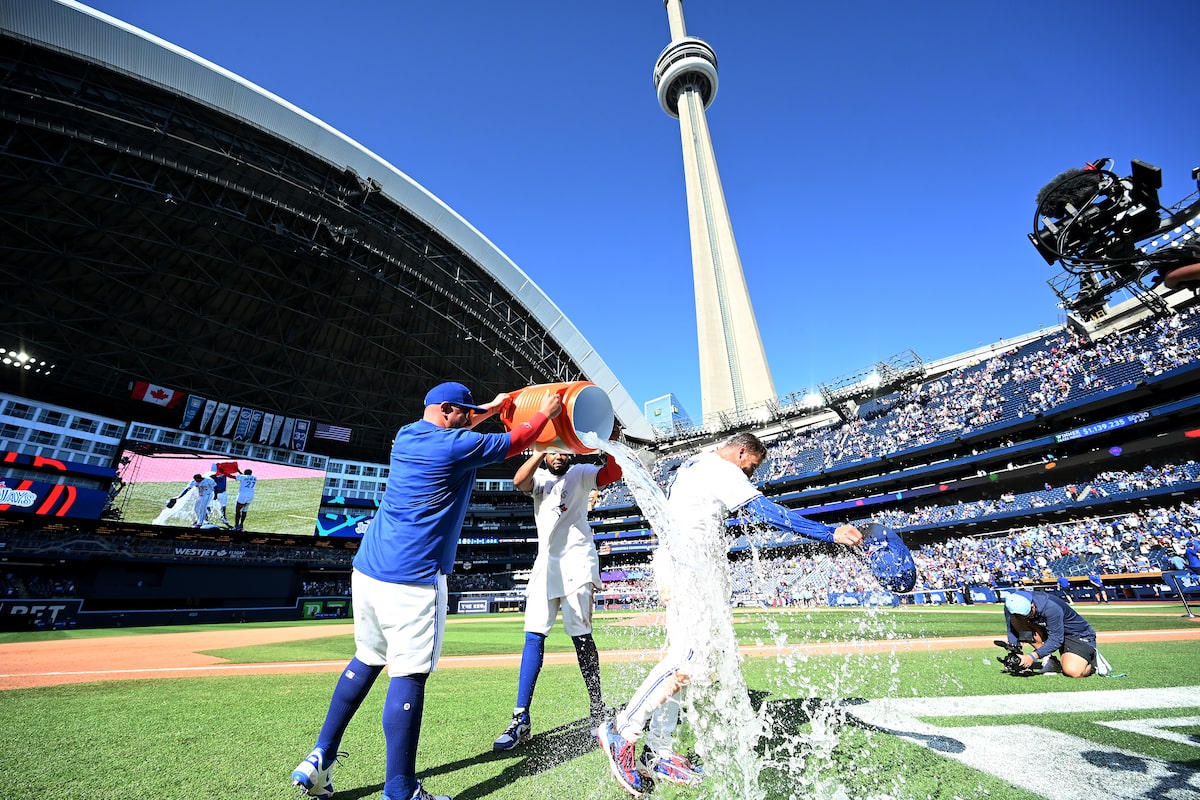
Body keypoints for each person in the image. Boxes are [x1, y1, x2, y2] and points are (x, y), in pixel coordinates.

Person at [291, 381, 563, 800]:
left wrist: (489, 409)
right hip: (414, 576)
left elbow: (458, 426)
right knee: (409, 675)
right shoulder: (455, 446)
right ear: (449, 409)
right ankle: (400, 790)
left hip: (369, 568)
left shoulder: (406, 434)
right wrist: (545, 412)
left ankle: (319, 756)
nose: (470, 419)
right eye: (465, 413)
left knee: (367, 658)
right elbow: (517, 441)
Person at [596, 432, 866, 796]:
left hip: (684, 565)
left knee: (688, 664)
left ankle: (658, 752)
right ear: (741, 453)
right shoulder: (720, 468)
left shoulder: (694, 465)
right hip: (689, 569)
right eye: (750, 468)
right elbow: (764, 511)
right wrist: (829, 533)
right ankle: (622, 730)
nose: (749, 476)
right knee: (688, 660)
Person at [492, 445, 623, 751]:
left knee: (581, 636)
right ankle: (520, 718)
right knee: (533, 635)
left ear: (570, 454)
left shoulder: (580, 473)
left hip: (578, 562)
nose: (558, 456)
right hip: (545, 565)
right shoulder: (538, 477)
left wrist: (610, 444)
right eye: (552, 452)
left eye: (562, 451)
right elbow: (518, 481)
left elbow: (612, 474)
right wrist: (540, 448)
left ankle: (597, 712)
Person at [1002, 589, 1109, 678]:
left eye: (1030, 613)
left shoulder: (1051, 607)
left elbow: (1056, 640)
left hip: (1075, 635)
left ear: (1032, 604)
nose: (1028, 617)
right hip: (1048, 629)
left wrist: (1032, 657)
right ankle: (1050, 660)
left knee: (1073, 671)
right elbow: (1011, 628)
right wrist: (1015, 652)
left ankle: (1092, 664)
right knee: (1017, 620)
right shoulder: (1011, 603)